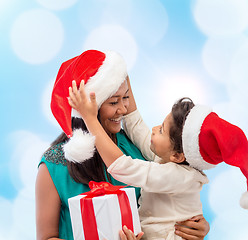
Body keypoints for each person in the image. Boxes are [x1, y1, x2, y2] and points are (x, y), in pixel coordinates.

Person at [35, 49, 210, 240]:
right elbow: (46, 237)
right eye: (113, 102)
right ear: (86, 110)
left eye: (125, 97)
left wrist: (194, 224)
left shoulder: (134, 147)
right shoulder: (54, 165)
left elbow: (171, 199)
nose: (123, 108)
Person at [68, 78, 248, 239]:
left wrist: (89, 118)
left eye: (161, 129)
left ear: (177, 155)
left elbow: (123, 167)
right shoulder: (171, 159)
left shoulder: (179, 176)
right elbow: (135, 124)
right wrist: (121, 73)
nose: (154, 128)